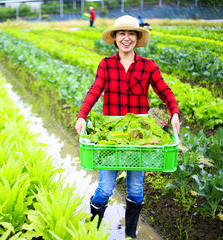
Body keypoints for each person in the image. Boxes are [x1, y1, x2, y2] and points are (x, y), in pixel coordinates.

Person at [74, 15, 180, 238]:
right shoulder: (106, 64)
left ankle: (130, 235)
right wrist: (82, 115)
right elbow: (95, 90)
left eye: (131, 33)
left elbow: (165, 90)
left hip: (138, 135)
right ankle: (93, 233)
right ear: (114, 38)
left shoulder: (148, 66)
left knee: (134, 190)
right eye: (121, 33)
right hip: (111, 136)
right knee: (104, 189)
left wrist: (174, 112)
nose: (126, 38)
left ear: (137, 38)